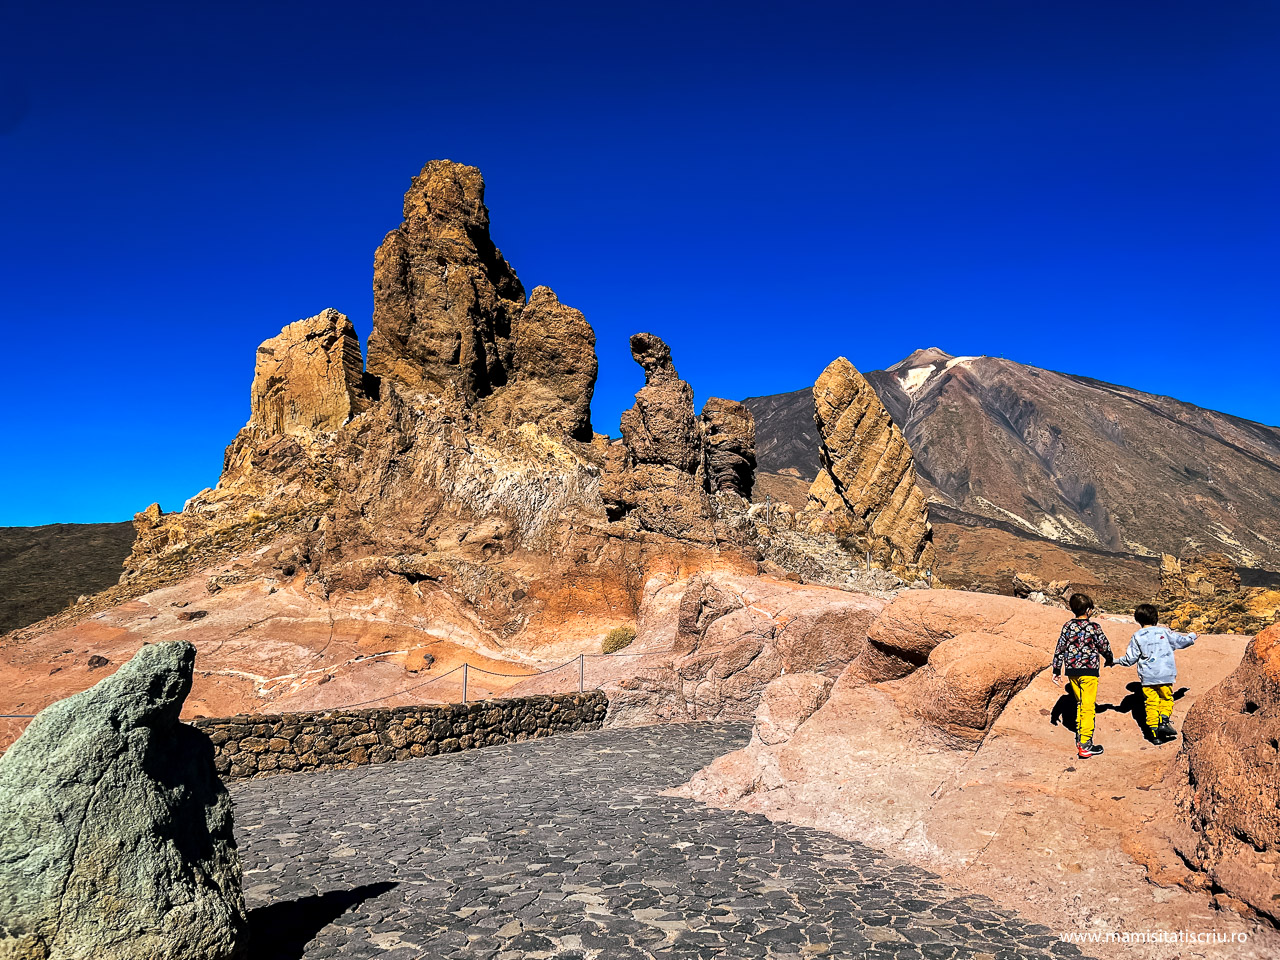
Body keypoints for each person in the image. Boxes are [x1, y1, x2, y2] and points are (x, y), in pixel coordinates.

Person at [1114, 604, 1196, 744]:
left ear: (1138, 620)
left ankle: (1154, 734)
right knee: (1166, 698)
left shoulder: (1137, 636)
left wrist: (1116, 661)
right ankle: (1164, 722)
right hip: (1166, 675)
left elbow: (1130, 659)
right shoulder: (1164, 632)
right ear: (1156, 618)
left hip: (1148, 678)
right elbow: (1181, 642)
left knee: (1151, 703)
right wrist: (1192, 636)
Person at [1052, 592, 1114, 758]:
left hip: (1072, 671)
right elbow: (1104, 646)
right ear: (1088, 610)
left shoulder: (1067, 626)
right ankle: (1086, 745)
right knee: (1088, 707)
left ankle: (1081, 736)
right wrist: (1109, 658)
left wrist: (1057, 670)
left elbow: (1060, 648)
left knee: (1081, 703)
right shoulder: (1094, 627)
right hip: (1089, 672)